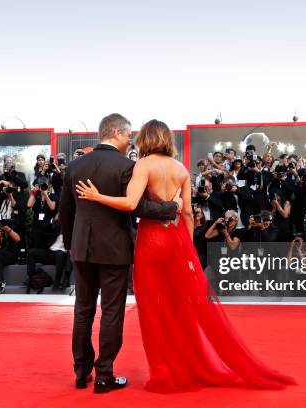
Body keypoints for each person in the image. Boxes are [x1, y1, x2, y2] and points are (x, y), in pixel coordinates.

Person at [75, 118, 296, 393]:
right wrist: (188, 249)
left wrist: (97, 196)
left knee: (154, 310)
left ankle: (164, 372)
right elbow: (189, 213)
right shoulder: (180, 169)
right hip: (177, 241)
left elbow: (132, 204)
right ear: (167, 139)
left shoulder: (143, 165)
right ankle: (187, 364)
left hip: (151, 241)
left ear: (146, 138)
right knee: (181, 308)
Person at [59, 114, 180, 394]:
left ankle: (81, 372)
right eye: (127, 136)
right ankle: (104, 375)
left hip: (81, 248)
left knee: (83, 310)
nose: (130, 141)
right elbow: (136, 206)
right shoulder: (127, 166)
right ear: (115, 132)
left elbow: (65, 210)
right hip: (114, 249)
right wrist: (171, 208)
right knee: (112, 310)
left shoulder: (75, 166)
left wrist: (70, 243)